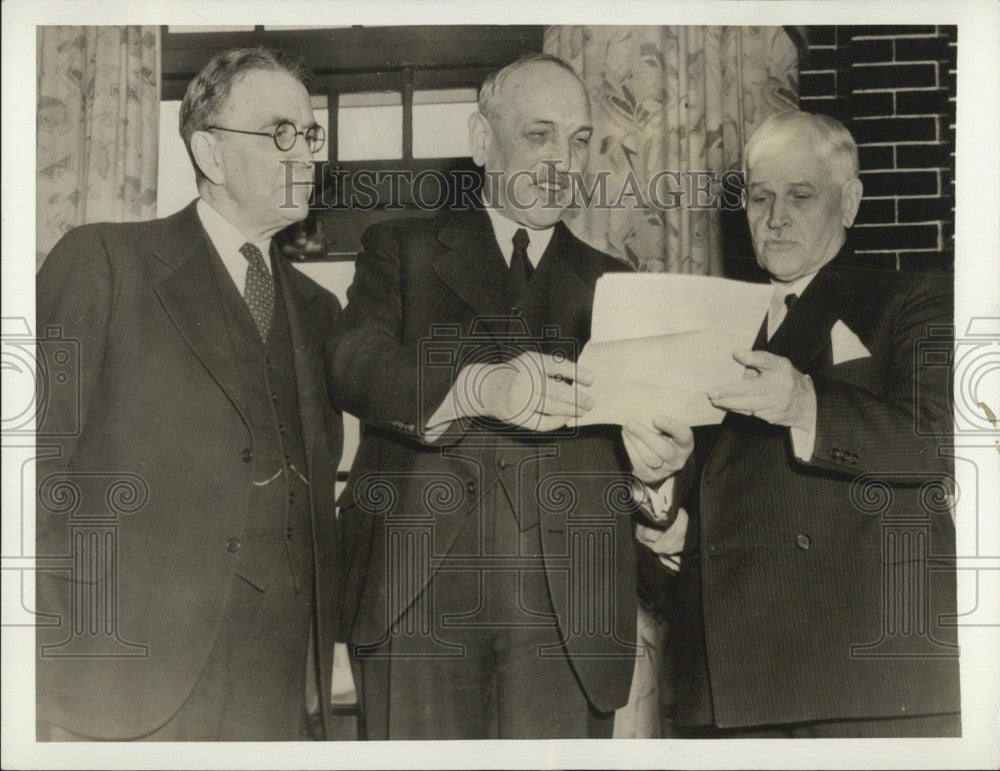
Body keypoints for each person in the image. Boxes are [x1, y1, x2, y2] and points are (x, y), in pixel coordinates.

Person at [326, 52, 692, 739]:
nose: (563, 158)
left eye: (578, 140)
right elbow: (353, 360)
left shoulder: (618, 285)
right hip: (417, 606)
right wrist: (472, 385)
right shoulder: (399, 249)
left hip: (567, 625)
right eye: (539, 134)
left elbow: (652, 458)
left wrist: (657, 472)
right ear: (480, 139)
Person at [35, 47, 344, 741]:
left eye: (311, 134)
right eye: (280, 133)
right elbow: (29, 471)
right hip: (126, 673)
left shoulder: (321, 310)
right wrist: (55, 654)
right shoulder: (106, 260)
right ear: (209, 150)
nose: (306, 154)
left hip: (276, 678)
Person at [656, 110, 960, 737]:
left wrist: (806, 406)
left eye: (801, 196)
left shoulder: (910, 298)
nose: (775, 218)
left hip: (858, 675)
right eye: (760, 198)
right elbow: (698, 482)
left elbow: (934, 439)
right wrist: (659, 504)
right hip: (729, 680)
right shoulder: (714, 318)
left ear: (848, 202)